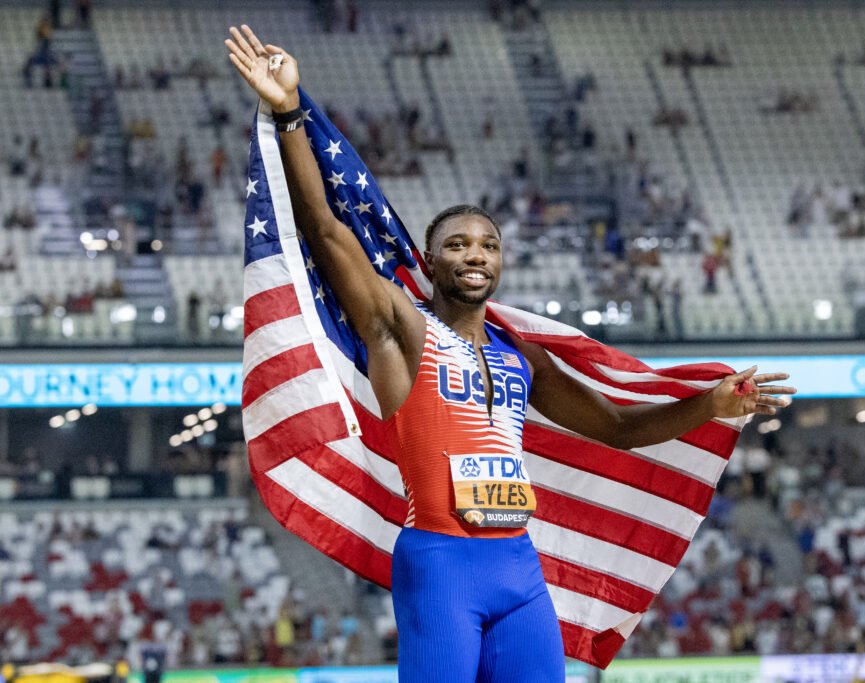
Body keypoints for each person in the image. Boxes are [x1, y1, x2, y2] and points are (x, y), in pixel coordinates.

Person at [225, 25, 795, 682]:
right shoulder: (401, 329)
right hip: (440, 564)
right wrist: (291, 110)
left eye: (488, 246)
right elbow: (325, 228)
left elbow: (618, 428)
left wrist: (711, 403)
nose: (475, 255)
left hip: (518, 570)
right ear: (431, 262)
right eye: (460, 245)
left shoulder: (520, 357)